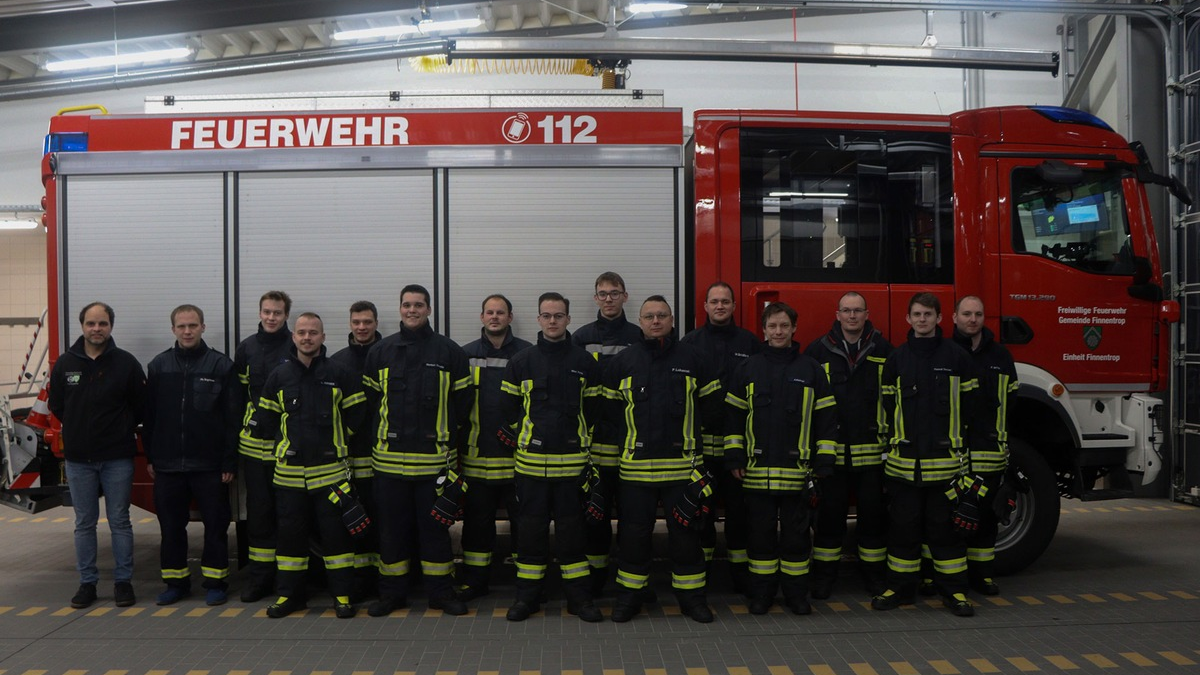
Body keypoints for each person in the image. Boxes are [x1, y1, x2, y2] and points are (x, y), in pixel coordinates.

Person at [600, 296, 723, 623]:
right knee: (632, 537)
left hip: (682, 470)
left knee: (686, 537)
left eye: (662, 315)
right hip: (635, 472)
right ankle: (629, 598)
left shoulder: (695, 359)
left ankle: (692, 600)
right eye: (649, 316)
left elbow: (712, 409)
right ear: (640, 322)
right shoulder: (623, 362)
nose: (656, 321)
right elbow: (610, 414)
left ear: (672, 319)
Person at [241, 312, 367, 619]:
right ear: (293, 337)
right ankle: (290, 596)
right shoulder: (279, 376)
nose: (307, 337)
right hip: (290, 477)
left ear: (323, 337)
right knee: (290, 540)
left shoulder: (340, 373)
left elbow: (357, 416)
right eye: (301, 332)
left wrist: (336, 442)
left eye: (313, 332)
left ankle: (342, 595)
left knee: (336, 539)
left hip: (332, 476)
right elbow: (267, 422)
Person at [363, 284, 472, 617]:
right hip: (389, 465)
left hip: (434, 466)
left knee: (436, 531)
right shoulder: (380, 352)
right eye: (407, 305)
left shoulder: (449, 352)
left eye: (419, 305)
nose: (412, 310)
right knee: (392, 533)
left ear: (429, 309)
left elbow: (462, 406)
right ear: (399, 309)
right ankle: (392, 594)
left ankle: (440, 592)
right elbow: (371, 405)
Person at [872, 292, 981, 618]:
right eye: (917, 314)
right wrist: (887, 453)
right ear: (908, 319)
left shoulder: (958, 358)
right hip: (904, 469)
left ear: (939, 319)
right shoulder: (897, 359)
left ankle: (955, 592)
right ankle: (899, 589)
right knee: (902, 533)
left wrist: (966, 457)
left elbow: (971, 410)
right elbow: (885, 410)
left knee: (945, 533)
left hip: (945, 469)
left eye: (928, 315)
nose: (922, 320)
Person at [725, 302, 837, 615]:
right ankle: (761, 595)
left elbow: (826, 420)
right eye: (773, 326)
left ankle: (796, 595)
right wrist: (735, 457)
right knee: (759, 539)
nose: (778, 332)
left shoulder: (811, 369)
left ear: (794, 329)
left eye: (784, 326)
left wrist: (824, 462)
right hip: (756, 474)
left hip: (797, 474)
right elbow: (733, 418)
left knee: (796, 540)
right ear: (764, 329)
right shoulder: (747, 368)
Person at [500, 292, 602, 622]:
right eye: (547, 315)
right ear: (539, 319)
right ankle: (527, 599)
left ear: (569, 319)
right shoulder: (521, 362)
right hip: (530, 469)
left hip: (572, 469)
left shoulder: (585, 363)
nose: (553, 321)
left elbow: (598, 411)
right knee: (530, 535)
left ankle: (579, 600)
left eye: (559, 315)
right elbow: (506, 411)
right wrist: (529, 439)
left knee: (573, 536)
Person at [48, 301, 146, 610]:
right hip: (79, 460)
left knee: (120, 520)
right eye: (91, 323)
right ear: (82, 326)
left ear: (111, 327)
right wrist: (78, 429)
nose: (97, 329)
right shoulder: (65, 364)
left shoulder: (126, 363)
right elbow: (57, 405)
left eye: (102, 323)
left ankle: (122, 583)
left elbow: (140, 406)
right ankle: (87, 583)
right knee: (84, 522)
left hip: (117, 457)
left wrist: (119, 429)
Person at [143, 304, 238, 607]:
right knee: (171, 528)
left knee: (216, 527)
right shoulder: (158, 366)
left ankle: (215, 582)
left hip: (209, 466)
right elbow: (150, 417)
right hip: (168, 466)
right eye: (181, 326)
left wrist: (228, 461)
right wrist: (151, 458)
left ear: (203, 328)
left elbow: (232, 418)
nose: (187, 331)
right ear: (173, 329)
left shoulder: (221, 365)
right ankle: (175, 583)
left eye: (193, 326)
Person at [804, 291, 893, 598]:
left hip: (872, 455)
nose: (852, 316)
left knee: (873, 520)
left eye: (857, 311)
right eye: (846, 310)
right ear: (837, 314)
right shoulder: (818, 350)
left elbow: (895, 404)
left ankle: (874, 578)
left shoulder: (884, 350)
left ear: (867, 314)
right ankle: (825, 578)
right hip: (833, 455)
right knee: (829, 520)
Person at [679, 281, 760, 593]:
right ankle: (704, 574)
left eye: (725, 301)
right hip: (702, 450)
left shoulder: (750, 343)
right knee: (703, 514)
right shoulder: (690, 343)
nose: (720, 306)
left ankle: (740, 577)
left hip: (737, 450)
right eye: (714, 301)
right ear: (705, 307)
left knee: (740, 516)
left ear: (734, 306)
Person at [571, 271, 643, 594]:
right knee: (595, 519)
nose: (609, 299)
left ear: (625, 297)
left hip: (630, 448)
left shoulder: (639, 336)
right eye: (603, 294)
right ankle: (596, 581)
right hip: (594, 447)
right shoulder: (581, 337)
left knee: (632, 521)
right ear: (595, 298)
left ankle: (631, 581)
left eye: (615, 293)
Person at [457, 294, 531, 601]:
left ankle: (526, 584)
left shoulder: (527, 354)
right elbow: (457, 406)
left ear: (510, 317)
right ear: (482, 316)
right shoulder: (464, 355)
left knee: (524, 524)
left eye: (501, 312)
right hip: (476, 458)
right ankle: (475, 582)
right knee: (477, 526)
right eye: (490, 312)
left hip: (519, 461)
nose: (495, 317)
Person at [952, 295, 1018, 596]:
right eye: (966, 314)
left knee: (988, 517)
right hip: (956, 454)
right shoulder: (947, 353)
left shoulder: (1001, 356)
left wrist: (1005, 444)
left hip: (990, 452)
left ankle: (983, 576)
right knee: (955, 518)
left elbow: (1010, 401)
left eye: (978, 314)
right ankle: (953, 578)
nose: (972, 319)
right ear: (954, 318)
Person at [232, 290, 293, 603]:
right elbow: (238, 398)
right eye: (267, 312)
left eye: (278, 313)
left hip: (289, 452)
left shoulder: (296, 345)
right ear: (260, 313)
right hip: (255, 451)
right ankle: (259, 580)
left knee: (289, 517)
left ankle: (289, 581)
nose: (272, 317)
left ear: (286, 316)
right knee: (259, 517)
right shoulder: (247, 349)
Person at [330, 300, 384, 602]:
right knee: (354, 522)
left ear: (376, 323)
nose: (361, 327)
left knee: (382, 521)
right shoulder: (338, 362)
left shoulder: (390, 354)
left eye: (367, 321)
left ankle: (383, 579)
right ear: (350, 324)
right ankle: (362, 582)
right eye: (356, 322)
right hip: (349, 458)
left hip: (384, 458)